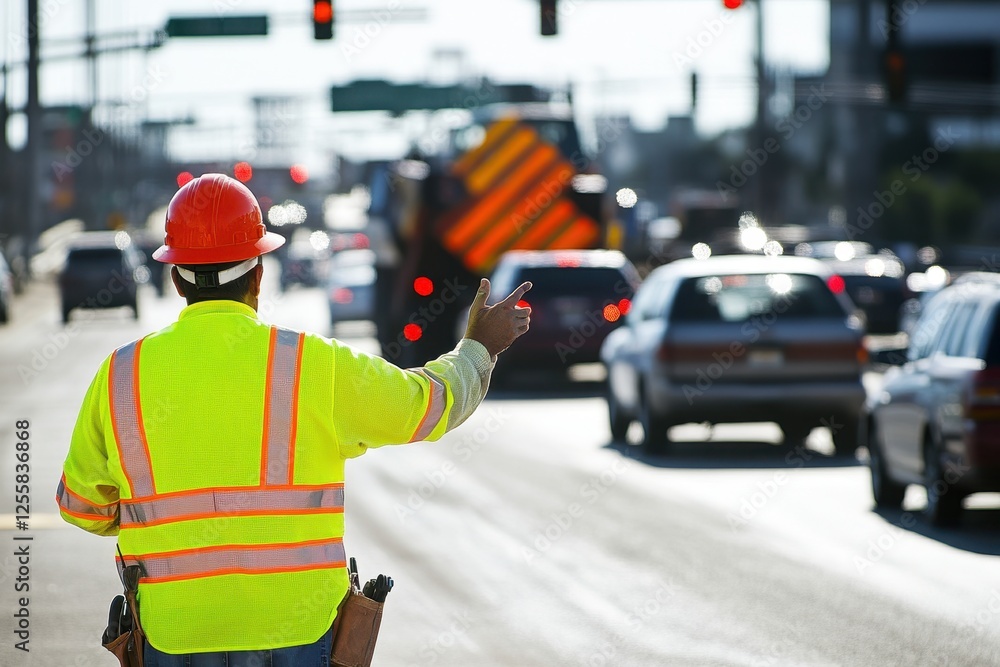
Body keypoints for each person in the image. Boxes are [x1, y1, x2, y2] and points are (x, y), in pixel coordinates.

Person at [56, 173, 531, 667]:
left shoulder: (120, 375)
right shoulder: (313, 364)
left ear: (175, 279)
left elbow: (82, 507)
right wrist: (479, 348)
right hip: (298, 632)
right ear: (258, 273)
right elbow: (427, 406)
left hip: (173, 633)